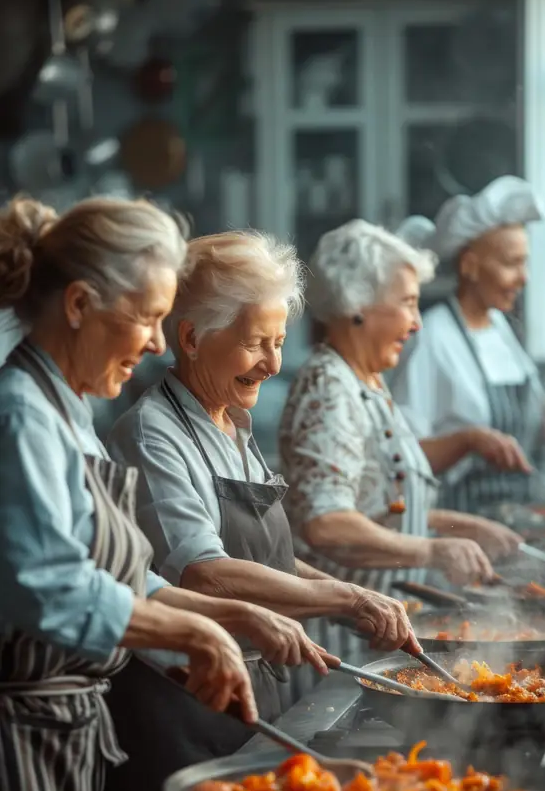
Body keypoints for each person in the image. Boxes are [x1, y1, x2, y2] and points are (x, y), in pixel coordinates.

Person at [0, 196, 332, 791]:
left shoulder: (67, 410)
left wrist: (224, 617)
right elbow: (46, 585)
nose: (155, 340)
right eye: (148, 317)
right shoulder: (20, 415)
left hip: (72, 735)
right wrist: (197, 630)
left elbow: (129, 574)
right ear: (80, 305)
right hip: (19, 739)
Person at [108, 231, 420, 706]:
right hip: (193, 695)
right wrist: (346, 599)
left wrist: (349, 598)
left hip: (257, 683)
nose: (273, 364)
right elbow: (205, 573)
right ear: (191, 337)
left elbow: (262, 560)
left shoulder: (231, 423)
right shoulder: (152, 433)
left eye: (278, 342)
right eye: (256, 344)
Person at [279, 219, 522, 666]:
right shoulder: (329, 388)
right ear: (360, 304)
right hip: (339, 647)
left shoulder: (364, 380)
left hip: (379, 638)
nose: (415, 324)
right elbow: (326, 523)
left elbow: (378, 505)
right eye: (408, 304)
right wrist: (431, 549)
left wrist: (460, 526)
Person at [391, 176, 545, 514]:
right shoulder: (432, 340)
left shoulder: (501, 329)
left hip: (516, 522)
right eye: (511, 263)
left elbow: (533, 427)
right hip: (460, 528)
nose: (524, 277)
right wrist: (468, 441)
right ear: (470, 265)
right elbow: (401, 455)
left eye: (525, 262)